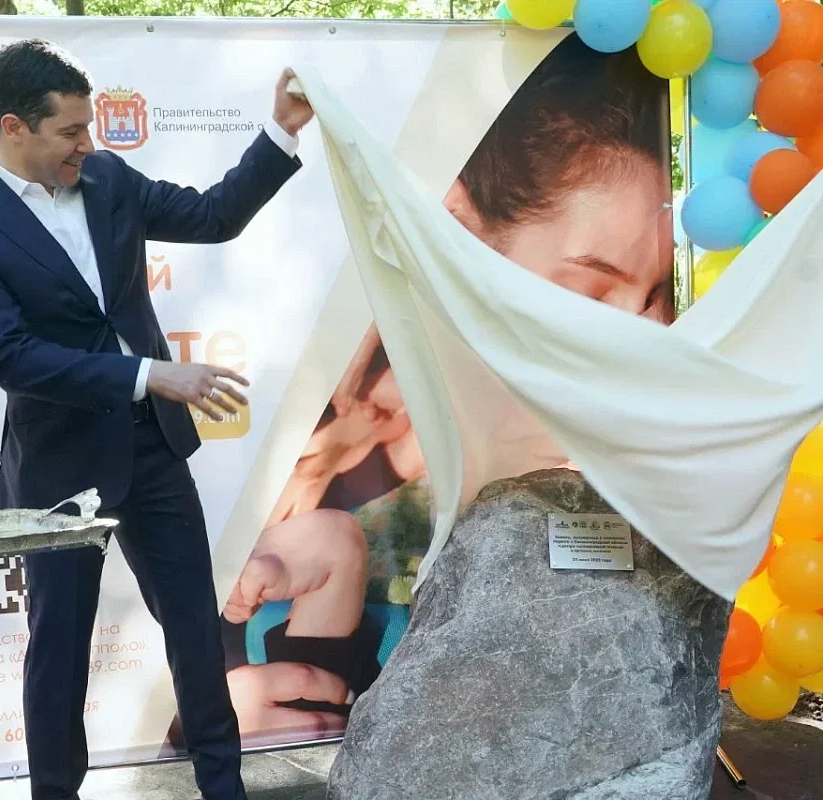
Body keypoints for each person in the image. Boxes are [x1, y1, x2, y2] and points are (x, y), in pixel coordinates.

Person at [211, 34, 674, 747]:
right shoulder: (293, 442)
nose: (630, 346)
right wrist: (198, 709)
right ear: (455, 240)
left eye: (651, 303)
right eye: (590, 295)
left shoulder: (584, 480)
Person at [0, 39, 313, 800]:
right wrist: (149, 374)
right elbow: (13, 357)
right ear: (13, 127)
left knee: (196, 631)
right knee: (60, 650)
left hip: (151, 450)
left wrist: (282, 131)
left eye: (88, 127)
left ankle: (223, 788)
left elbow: (214, 215)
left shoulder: (107, 179)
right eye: (69, 131)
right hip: (59, 469)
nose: (86, 145)